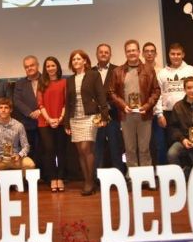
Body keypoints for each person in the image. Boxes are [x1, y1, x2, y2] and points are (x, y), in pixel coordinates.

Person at [109, 40, 161, 170]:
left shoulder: (149, 70)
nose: (131, 53)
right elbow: (112, 92)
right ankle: (133, 175)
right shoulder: (117, 71)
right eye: (128, 51)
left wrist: (147, 106)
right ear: (125, 53)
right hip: (126, 115)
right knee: (129, 148)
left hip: (144, 114)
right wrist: (123, 106)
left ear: (138, 52)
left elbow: (156, 91)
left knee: (144, 148)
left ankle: (146, 176)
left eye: (134, 50)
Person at [65, 49, 109, 195]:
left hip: (90, 116)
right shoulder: (69, 80)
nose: (76, 61)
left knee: (86, 148)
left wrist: (104, 116)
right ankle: (87, 180)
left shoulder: (93, 75)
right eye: (73, 59)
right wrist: (66, 123)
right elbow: (67, 102)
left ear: (85, 61)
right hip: (75, 118)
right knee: (80, 152)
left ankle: (90, 181)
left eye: (78, 59)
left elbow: (101, 96)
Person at [154, 43, 193, 164]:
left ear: (183, 55)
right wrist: (159, 114)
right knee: (172, 145)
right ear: (169, 55)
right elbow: (158, 95)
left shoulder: (191, 70)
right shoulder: (162, 73)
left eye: (178, 54)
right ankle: (177, 171)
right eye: (173, 54)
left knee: (191, 143)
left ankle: (191, 169)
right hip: (169, 114)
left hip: (189, 112)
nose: (176, 56)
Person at [92, 43, 125, 174]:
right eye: (101, 52)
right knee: (97, 147)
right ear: (96, 54)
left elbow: (120, 91)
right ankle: (97, 177)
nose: (103, 54)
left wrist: (108, 105)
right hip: (95, 116)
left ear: (110, 55)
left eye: (106, 52)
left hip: (113, 114)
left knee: (115, 146)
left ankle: (119, 175)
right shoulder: (90, 71)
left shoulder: (118, 70)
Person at [36, 57, 68, 192]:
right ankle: (53, 178)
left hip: (61, 121)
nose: (50, 68)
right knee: (49, 150)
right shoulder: (41, 83)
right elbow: (40, 104)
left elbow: (66, 102)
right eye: (48, 66)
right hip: (45, 122)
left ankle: (60, 178)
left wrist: (60, 118)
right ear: (45, 69)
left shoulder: (64, 82)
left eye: (53, 65)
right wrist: (49, 119)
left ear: (57, 67)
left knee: (61, 150)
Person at [13, 55, 42, 173]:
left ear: (38, 65)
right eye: (26, 67)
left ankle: (45, 176)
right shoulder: (20, 83)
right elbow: (17, 101)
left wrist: (40, 111)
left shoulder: (47, 80)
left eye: (32, 65)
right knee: (29, 150)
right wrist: (30, 113)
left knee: (45, 150)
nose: (29, 68)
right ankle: (30, 176)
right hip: (27, 122)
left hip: (45, 120)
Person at [142, 42, 163, 165]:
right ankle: (149, 170)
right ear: (142, 54)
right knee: (146, 144)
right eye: (147, 51)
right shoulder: (138, 70)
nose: (149, 53)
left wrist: (160, 113)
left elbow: (162, 93)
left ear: (156, 54)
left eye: (152, 51)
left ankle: (161, 170)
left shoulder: (162, 71)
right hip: (144, 112)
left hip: (159, 113)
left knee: (160, 144)